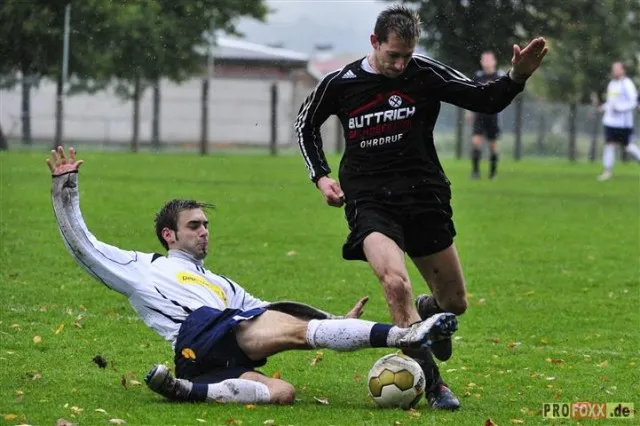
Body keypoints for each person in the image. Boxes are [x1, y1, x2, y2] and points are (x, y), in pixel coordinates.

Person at [46, 145, 458, 405]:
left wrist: (332, 320)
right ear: (169, 235)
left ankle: (188, 391)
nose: (204, 231)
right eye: (194, 226)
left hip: (204, 361)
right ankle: (404, 335)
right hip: (199, 332)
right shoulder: (143, 267)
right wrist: (66, 188)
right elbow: (85, 246)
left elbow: (269, 310)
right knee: (294, 332)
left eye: (206, 225)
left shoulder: (221, 284)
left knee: (282, 392)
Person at [294, 4, 547, 410]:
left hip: (423, 196)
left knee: (455, 302)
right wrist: (321, 176)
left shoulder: (425, 73)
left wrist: (517, 76)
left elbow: (485, 100)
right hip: (370, 201)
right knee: (396, 285)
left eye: (407, 56)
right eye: (393, 55)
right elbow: (305, 125)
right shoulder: (341, 83)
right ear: (375, 42)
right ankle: (434, 385)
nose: (400, 64)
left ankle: (430, 311)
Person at [597, 61, 640, 181]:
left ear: (623, 70)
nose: (614, 71)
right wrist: (603, 107)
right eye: (613, 68)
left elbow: (634, 102)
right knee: (609, 144)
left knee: (628, 147)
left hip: (623, 123)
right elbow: (610, 102)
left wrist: (620, 108)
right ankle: (607, 171)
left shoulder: (627, 84)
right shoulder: (611, 84)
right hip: (610, 121)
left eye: (617, 68)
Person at [466, 50, 505, 180]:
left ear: (494, 61)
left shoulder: (499, 77)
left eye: (489, 59)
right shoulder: (477, 77)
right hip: (479, 115)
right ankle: (475, 172)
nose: (487, 62)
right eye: (485, 59)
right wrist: (469, 112)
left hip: (493, 116)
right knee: (475, 143)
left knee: (492, 145)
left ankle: (493, 173)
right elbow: (471, 95)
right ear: (481, 62)